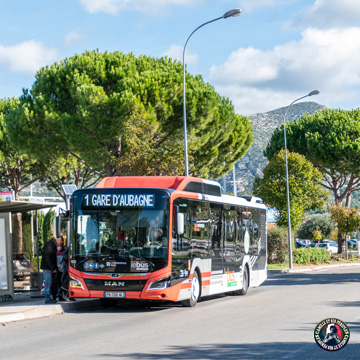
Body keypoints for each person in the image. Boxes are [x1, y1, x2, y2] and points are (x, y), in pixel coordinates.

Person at [40, 237, 58, 304]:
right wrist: (53, 268)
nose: (60, 245)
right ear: (58, 240)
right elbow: (48, 258)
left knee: (48, 282)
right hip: (47, 268)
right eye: (61, 242)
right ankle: (47, 298)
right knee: (48, 282)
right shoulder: (50, 245)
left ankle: (49, 298)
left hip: (48, 267)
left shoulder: (50, 244)